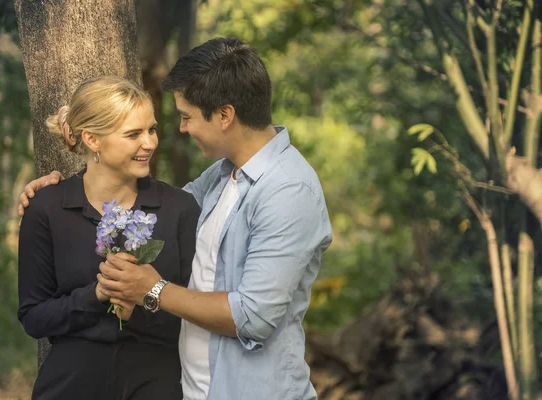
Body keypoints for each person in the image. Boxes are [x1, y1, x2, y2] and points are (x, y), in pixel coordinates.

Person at [19, 38, 332, 400]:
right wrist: (55, 189)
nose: (179, 130)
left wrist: (152, 290)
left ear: (225, 115)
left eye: (186, 117)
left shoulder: (287, 191)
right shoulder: (219, 178)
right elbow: (144, 202)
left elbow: (254, 317)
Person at [17, 75, 200, 400]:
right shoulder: (46, 208)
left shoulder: (180, 209)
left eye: (152, 129)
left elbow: (196, 313)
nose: (150, 143)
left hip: (157, 385)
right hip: (69, 387)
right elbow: (33, 318)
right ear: (92, 139)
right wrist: (98, 295)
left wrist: (143, 301)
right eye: (133, 134)